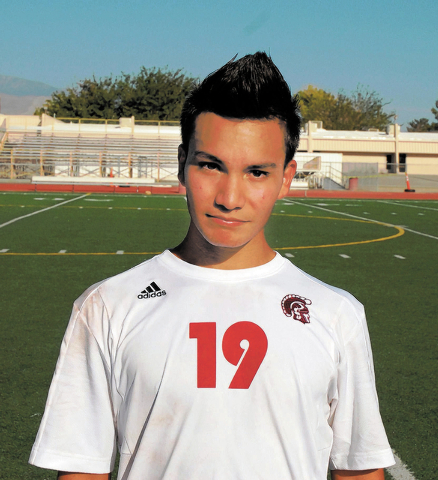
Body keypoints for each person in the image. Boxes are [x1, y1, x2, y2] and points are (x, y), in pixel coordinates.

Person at [29, 52, 394, 480]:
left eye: (257, 172)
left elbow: (359, 470)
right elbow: (81, 469)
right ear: (182, 164)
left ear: (286, 177)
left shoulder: (336, 314)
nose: (229, 198)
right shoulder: (108, 305)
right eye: (210, 165)